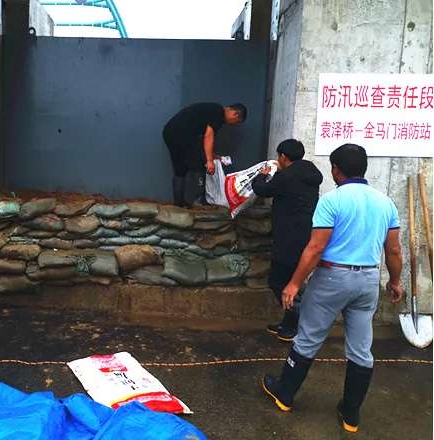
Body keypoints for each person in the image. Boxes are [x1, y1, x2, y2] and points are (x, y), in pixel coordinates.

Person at [261, 144, 403, 433]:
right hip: (367, 280)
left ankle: (284, 394)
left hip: (332, 278)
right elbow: (394, 250)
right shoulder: (385, 203)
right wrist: (395, 281)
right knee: (361, 349)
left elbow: (315, 248)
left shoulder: (332, 200)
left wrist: (294, 283)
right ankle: (350, 414)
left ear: (336, 170)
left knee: (308, 338)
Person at [251, 139, 323, 341]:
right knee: (292, 280)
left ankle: (296, 323)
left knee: (278, 282)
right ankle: (289, 323)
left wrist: (262, 175)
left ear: (283, 157)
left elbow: (262, 190)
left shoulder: (287, 176)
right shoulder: (310, 173)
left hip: (288, 239)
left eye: (278, 156)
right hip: (305, 235)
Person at [162, 102, 246, 207]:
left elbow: (202, 142)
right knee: (201, 164)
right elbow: (208, 136)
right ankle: (200, 200)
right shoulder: (218, 113)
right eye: (236, 122)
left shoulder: (213, 110)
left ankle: (178, 203)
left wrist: (213, 156)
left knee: (180, 167)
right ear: (235, 114)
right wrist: (209, 161)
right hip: (182, 134)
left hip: (170, 131)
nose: (233, 125)